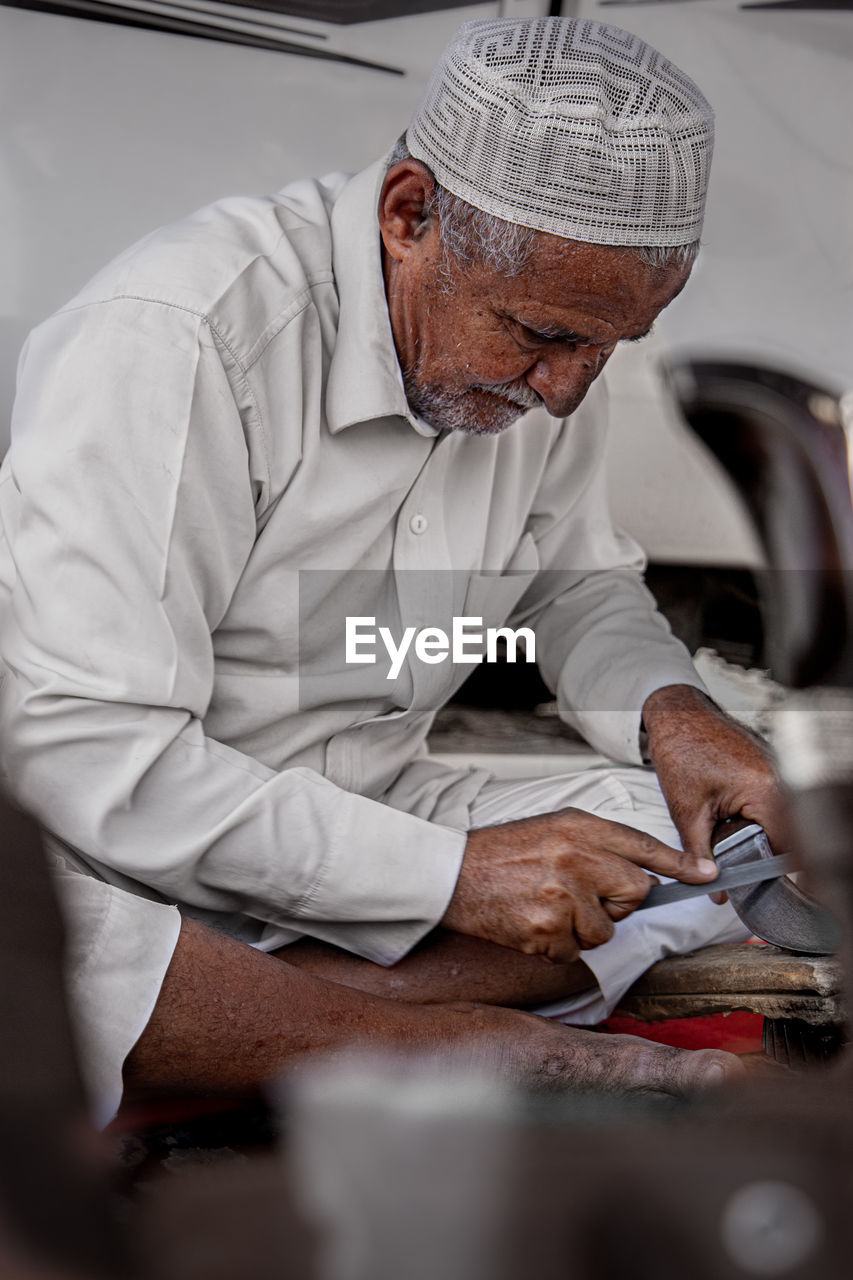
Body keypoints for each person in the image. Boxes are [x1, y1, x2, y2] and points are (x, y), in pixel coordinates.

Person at [0, 16, 785, 1125]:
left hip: (369, 818)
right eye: (541, 336)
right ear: (409, 214)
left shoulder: (545, 346)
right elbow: (92, 754)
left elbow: (572, 586)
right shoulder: (180, 337)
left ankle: (249, 1029)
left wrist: (672, 713)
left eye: (602, 352)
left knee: (704, 849)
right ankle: (440, 1043)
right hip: (120, 854)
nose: (562, 392)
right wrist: (448, 880)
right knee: (46, 946)